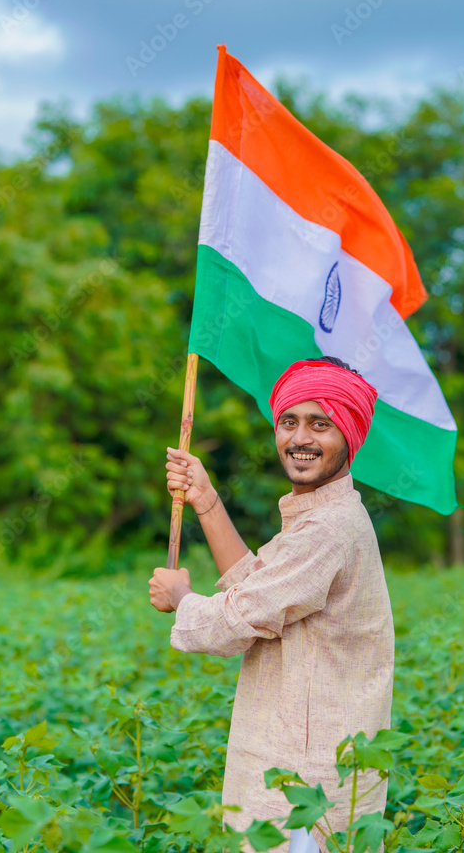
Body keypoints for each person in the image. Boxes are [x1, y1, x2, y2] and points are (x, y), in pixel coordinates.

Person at [148, 356, 395, 853]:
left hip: (305, 779)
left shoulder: (328, 529)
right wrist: (206, 500)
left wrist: (183, 600)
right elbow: (261, 587)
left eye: (320, 424)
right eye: (289, 422)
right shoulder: (322, 518)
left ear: (349, 434)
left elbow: (241, 615)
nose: (300, 438)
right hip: (301, 763)